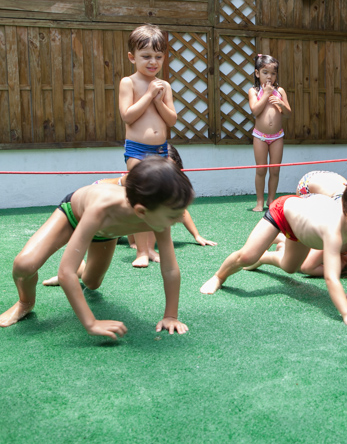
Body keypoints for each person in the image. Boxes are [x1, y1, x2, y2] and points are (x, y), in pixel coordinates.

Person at [0, 156, 194, 339]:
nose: (180, 218)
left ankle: (82, 267)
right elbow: (65, 272)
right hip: (73, 216)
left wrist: (171, 315)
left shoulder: (159, 220)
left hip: (105, 233)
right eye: (174, 214)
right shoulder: (101, 209)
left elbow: (169, 269)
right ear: (141, 211)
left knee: (92, 283)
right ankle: (25, 302)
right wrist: (91, 323)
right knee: (24, 265)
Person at [199, 176, 347, 329]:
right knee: (247, 256)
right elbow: (331, 278)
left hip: (302, 232)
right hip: (283, 212)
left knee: (289, 267)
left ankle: (265, 257)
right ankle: (219, 276)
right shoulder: (333, 230)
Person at [119, 24, 177, 268]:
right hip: (137, 151)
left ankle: (153, 249)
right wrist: (148, 95)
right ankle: (141, 251)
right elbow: (128, 116)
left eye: (158, 56)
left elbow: (171, 119)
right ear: (132, 57)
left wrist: (158, 99)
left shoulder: (164, 86)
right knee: (142, 198)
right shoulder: (128, 83)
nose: (153, 62)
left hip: (161, 150)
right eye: (146, 57)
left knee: (160, 199)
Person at [90, 144, 216, 249]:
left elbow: (181, 210)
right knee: (106, 232)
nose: (167, 173)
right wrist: (133, 243)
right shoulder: (142, 179)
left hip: (113, 204)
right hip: (98, 192)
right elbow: (130, 205)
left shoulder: (166, 181)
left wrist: (197, 236)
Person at [249, 54, 291, 212]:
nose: (269, 77)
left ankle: (271, 200)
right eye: (265, 72)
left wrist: (281, 102)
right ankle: (259, 201)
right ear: (257, 73)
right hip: (260, 136)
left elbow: (288, 113)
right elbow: (255, 111)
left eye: (273, 73)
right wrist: (266, 94)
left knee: (275, 169)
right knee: (261, 169)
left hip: (277, 136)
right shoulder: (254, 91)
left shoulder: (280, 91)